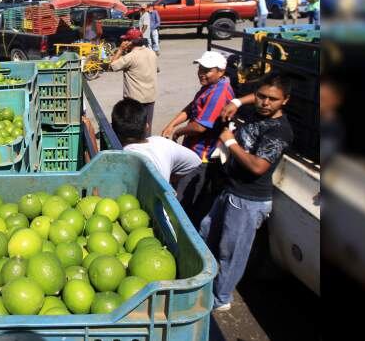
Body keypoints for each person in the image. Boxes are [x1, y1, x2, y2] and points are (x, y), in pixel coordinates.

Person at [200, 73, 293, 312]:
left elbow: (258, 166)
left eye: (272, 99)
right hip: (231, 191)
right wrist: (238, 102)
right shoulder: (258, 111)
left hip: (249, 200)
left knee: (231, 253)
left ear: (285, 101)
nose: (264, 102)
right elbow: (255, 96)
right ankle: (202, 284)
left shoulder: (280, 131)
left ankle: (221, 299)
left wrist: (230, 142)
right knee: (206, 231)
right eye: (261, 96)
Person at [161, 50, 234, 220]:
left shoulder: (219, 93)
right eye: (200, 69)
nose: (201, 73)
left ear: (221, 72)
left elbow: (201, 126)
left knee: (183, 202)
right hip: (192, 151)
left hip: (202, 157)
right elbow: (192, 107)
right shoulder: (210, 87)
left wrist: (178, 131)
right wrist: (172, 124)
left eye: (207, 70)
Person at [111, 98, 201, 185]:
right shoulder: (162, 142)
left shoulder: (124, 158)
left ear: (114, 132)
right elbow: (195, 161)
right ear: (147, 127)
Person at [109, 28, 158, 135]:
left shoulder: (130, 57)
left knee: (133, 131)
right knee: (146, 128)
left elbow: (112, 66)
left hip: (134, 100)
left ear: (130, 42)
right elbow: (156, 69)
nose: (124, 42)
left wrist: (121, 50)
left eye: (126, 40)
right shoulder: (152, 53)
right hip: (150, 97)